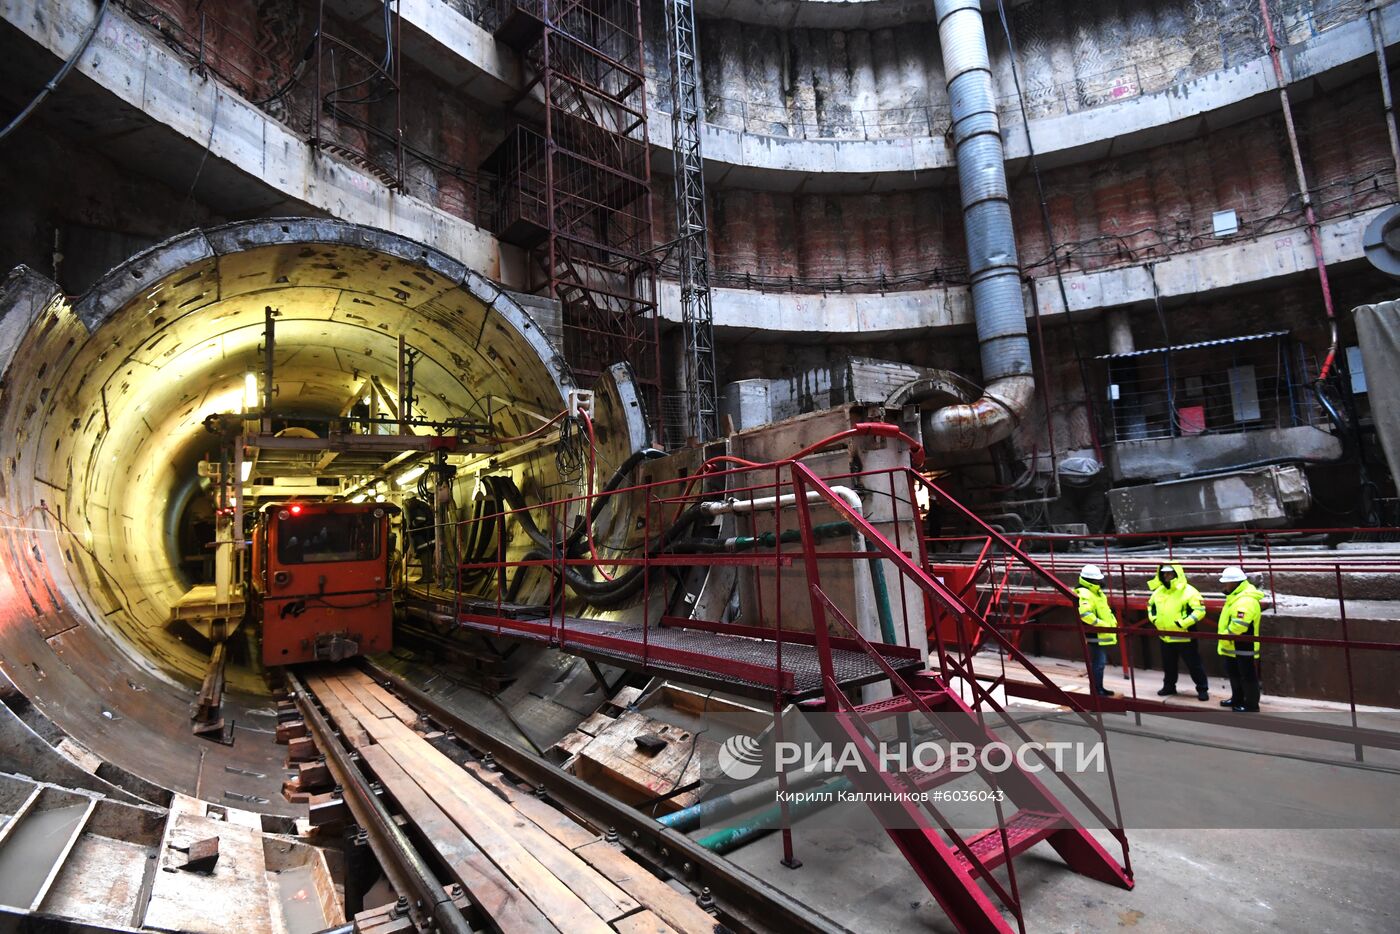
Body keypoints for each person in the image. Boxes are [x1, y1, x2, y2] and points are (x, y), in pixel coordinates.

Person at [1146, 563, 1209, 701]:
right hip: (1165, 636)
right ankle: (1169, 687)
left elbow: (1200, 611)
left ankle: (1202, 689)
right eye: (1164, 573)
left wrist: (1183, 624)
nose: (1166, 576)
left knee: (1194, 665)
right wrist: (1155, 620)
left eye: (1169, 573)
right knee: (1168, 665)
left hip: (1185, 636)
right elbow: (1151, 606)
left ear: (1177, 574)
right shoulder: (1158, 591)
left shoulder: (1189, 591)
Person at [1217, 566, 1265, 712]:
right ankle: (1237, 698)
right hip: (1233, 644)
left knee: (1247, 676)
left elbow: (1240, 626)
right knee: (1235, 673)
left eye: (1227, 583)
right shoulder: (1235, 597)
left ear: (1235, 583)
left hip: (1244, 645)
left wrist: (1224, 636)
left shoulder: (1245, 600)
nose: (1224, 586)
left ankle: (1251, 704)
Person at [1075, 564, 1117, 697]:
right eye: (1097, 580)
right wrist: (1101, 625)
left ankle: (1099, 689)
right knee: (1098, 664)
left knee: (1100, 664)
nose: (1100, 582)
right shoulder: (1086, 593)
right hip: (1096, 634)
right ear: (1090, 580)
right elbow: (1085, 615)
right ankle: (1096, 691)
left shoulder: (1096, 592)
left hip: (1101, 633)